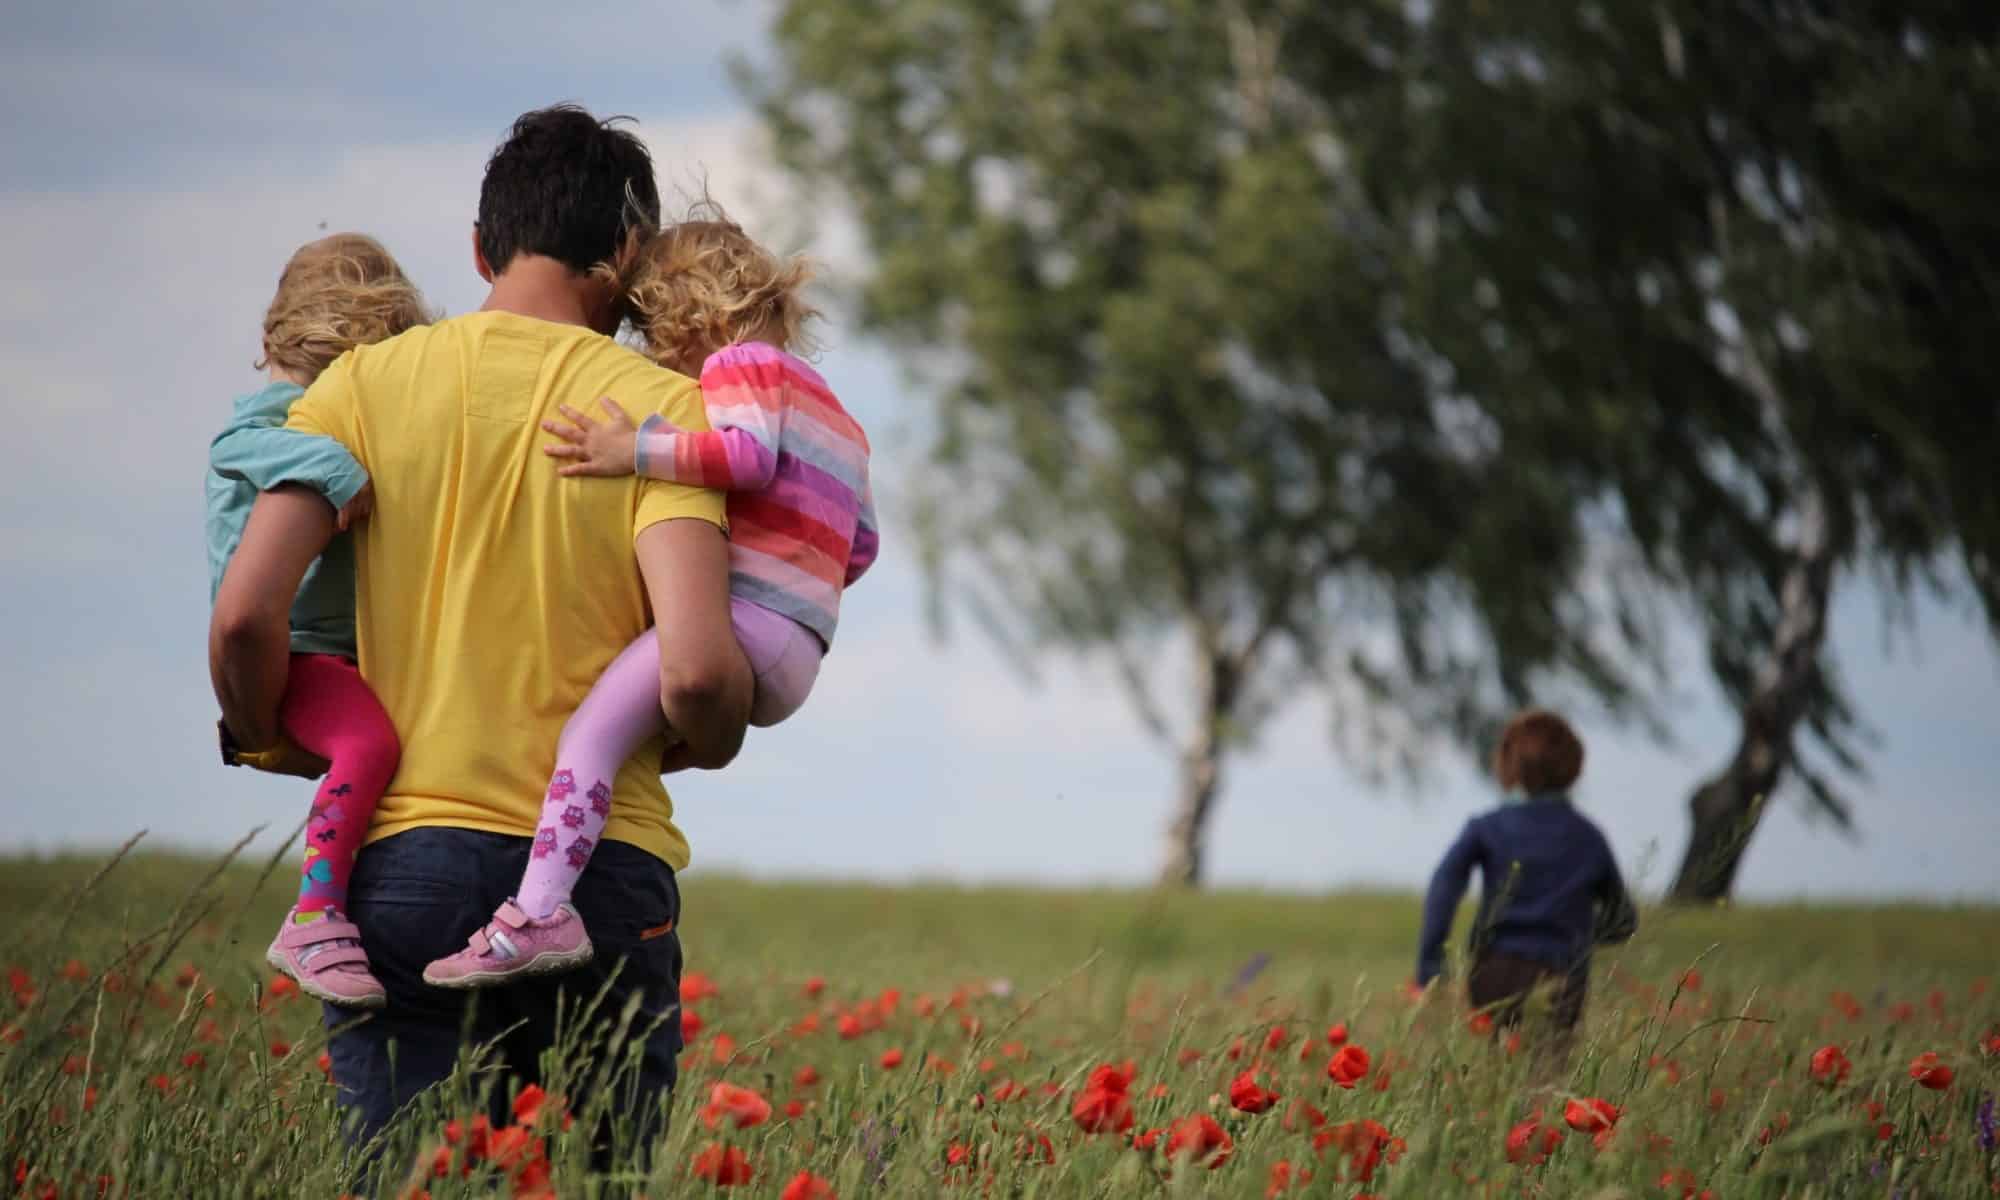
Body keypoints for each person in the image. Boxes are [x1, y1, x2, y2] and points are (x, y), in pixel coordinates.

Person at [208, 104, 752, 1158]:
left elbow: (242, 614)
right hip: (600, 877)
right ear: (628, 254)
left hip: (401, 864)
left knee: (412, 1180)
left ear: (478, 246)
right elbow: (692, 670)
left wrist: (268, 728)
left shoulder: (358, 388)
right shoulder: (662, 413)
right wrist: (715, 733)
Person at [423, 209, 878, 988]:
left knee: (589, 738)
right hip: (801, 646)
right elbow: (860, 546)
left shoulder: (741, 368)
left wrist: (629, 449)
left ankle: (538, 913)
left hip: (745, 624)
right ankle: (563, 873)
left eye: (654, 332)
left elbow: (744, 457)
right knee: (627, 741)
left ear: (692, 314)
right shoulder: (839, 414)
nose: (657, 355)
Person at [206, 233, 429, 1007]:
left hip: (332, 652)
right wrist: (337, 469)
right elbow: (237, 444)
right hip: (297, 651)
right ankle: (315, 913)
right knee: (369, 743)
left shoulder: (313, 409)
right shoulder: (281, 415)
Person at [1414, 708, 1638, 1052]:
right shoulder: (1588, 837)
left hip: (1494, 972)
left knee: (1496, 1077)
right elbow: (1623, 920)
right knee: (1547, 1082)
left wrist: (1431, 965)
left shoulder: (1487, 827)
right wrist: (1575, 934)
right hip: (1562, 975)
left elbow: (1443, 887)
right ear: (1573, 768)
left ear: (1508, 765)